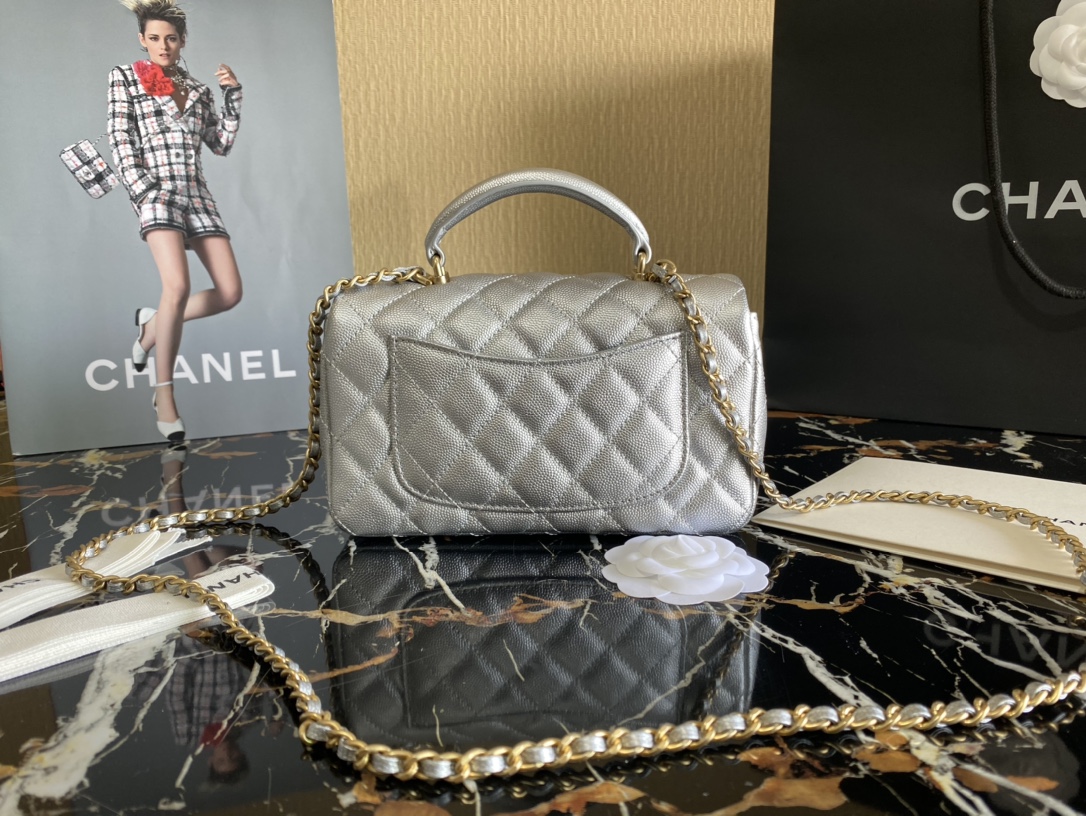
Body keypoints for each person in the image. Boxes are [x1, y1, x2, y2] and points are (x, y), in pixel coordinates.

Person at [109, 0, 243, 443]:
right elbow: (120, 138)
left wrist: (232, 96)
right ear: (142, 40)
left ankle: (153, 326)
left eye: (170, 38)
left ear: (182, 41)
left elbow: (220, 144)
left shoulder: (198, 90)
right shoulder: (126, 77)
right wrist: (143, 190)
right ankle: (164, 395)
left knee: (230, 292)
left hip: (196, 193)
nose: (163, 46)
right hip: (156, 191)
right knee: (178, 286)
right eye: (154, 38)